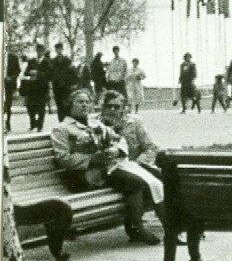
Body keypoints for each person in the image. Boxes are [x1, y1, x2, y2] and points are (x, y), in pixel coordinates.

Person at [50, 87, 167, 244]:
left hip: (105, 169)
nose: (84, 105)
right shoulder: (62, 129)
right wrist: (91, 159)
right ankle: (137, 227)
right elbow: (63, 158)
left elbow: (119, 139)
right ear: (70, 105)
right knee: (134, 182)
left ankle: (151, 227)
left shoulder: (95, 124)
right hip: (82, 175)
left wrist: (116, 150)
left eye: (87, 102)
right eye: (79, 102)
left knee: (147, 179)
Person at [19, 45, 50, 131]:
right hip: (32, 88)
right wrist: (30, 72)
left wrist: (38, 73)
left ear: (43, 52)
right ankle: (33, 124)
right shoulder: (32, 61)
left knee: (41, 108)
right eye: (38, 51)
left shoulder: (47, 62)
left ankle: (39, 126)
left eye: (41, 51)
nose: (39, 52)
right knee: (30, 106)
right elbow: (26, 72)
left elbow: (49, 74)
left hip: (43, 88)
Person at [49, 43, 77, 120]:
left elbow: (72, 72)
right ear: (55, 50)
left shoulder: (67, 60)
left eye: (60, 48)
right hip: (56, 85)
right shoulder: (53, 61)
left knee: (66, 103)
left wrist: (71, 83)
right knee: (59, 103)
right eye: (57, 49)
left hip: (66, 85)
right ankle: (61, 120)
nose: (58, 50)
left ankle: (67, 119)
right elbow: (51, 73)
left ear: (62, 49)